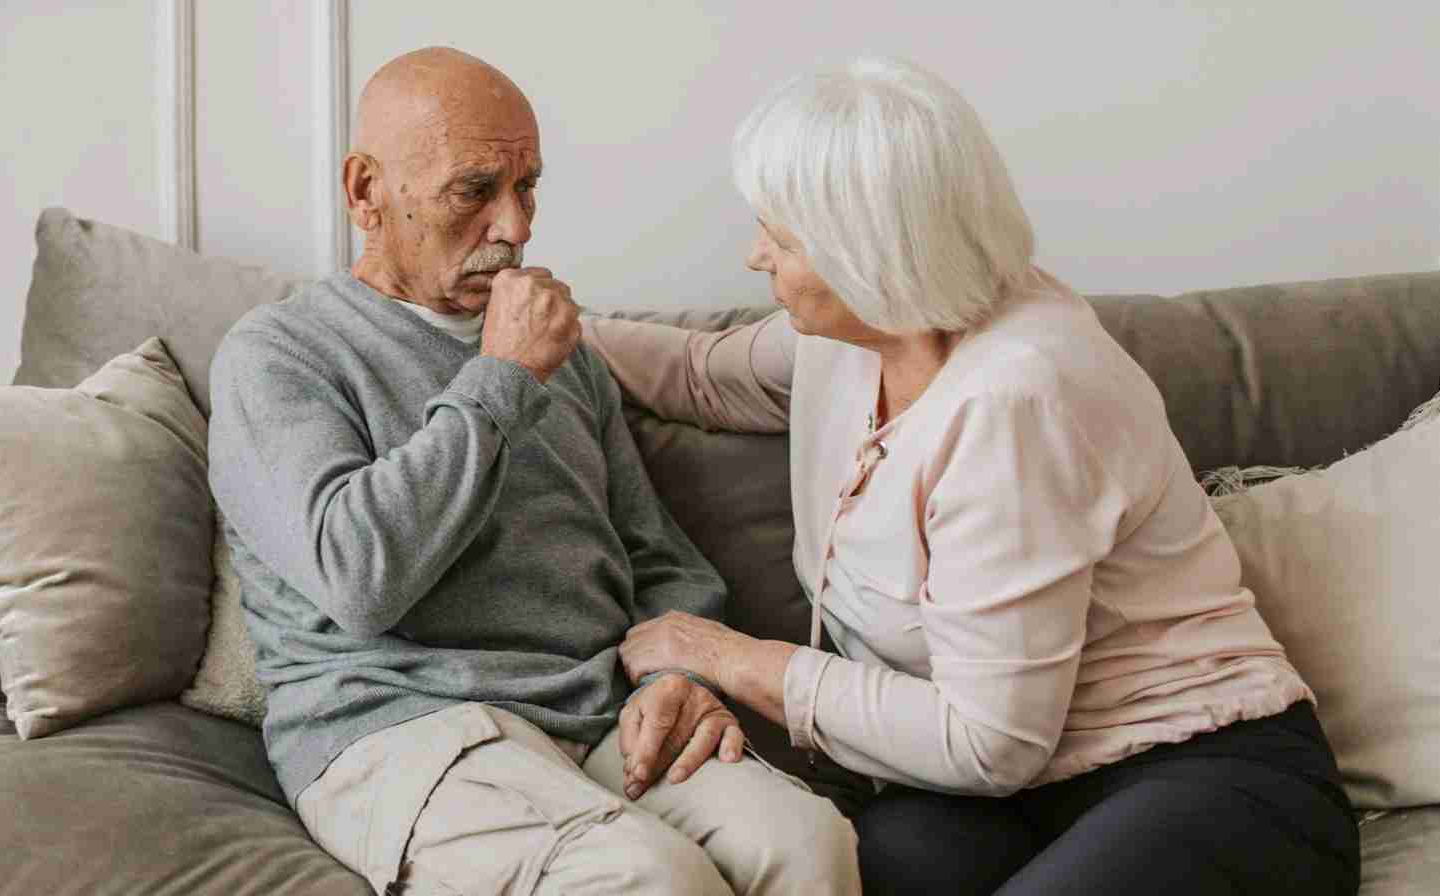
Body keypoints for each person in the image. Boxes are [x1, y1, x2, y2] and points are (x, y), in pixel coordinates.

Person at [582, 56, 1360, 896]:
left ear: (863, 250)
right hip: (1005, 796)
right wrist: (524, 325)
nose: (753, 254)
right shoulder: (853, 338)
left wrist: (725, 657)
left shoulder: (1015, 396)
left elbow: (988, 743)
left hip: (1199, 770)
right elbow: (703, 375)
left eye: (781, 235)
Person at [206, 47, 858, 896]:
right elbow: (359, 578)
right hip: (398, 727)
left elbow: (657, 559)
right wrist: (504, 377)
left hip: (591, 707)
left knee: (807, 842)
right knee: (647, 879)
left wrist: (672, 676)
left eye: (528, 187)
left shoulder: (564, 351)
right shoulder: (280, 353)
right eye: (475, 190)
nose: (515, 227)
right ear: (365, 191)